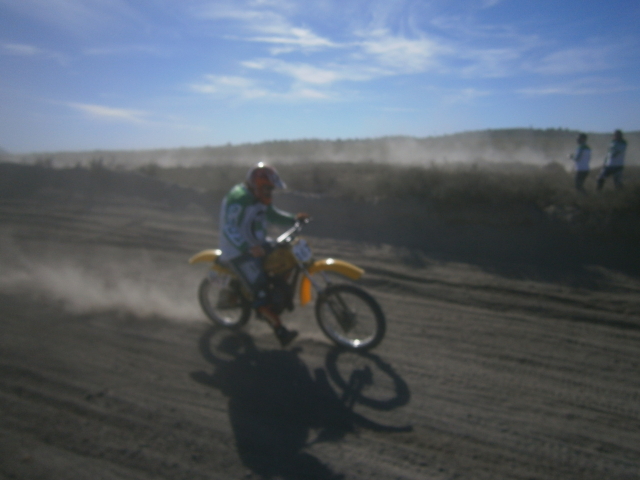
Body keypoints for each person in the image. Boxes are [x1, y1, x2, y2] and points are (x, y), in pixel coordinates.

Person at [218, 162, 309, 346]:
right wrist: (246, 247)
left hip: (257, 243)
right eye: (267, 188)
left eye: (271, 189)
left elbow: (271, 214)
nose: (269, 192)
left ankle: (278, 296)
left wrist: (293, 218)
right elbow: (229, 228)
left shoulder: (258, 196)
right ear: (256, 184)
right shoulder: (239, 198)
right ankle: (279, 329)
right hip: (237, 250)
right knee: (259, 288)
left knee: (285, 256)